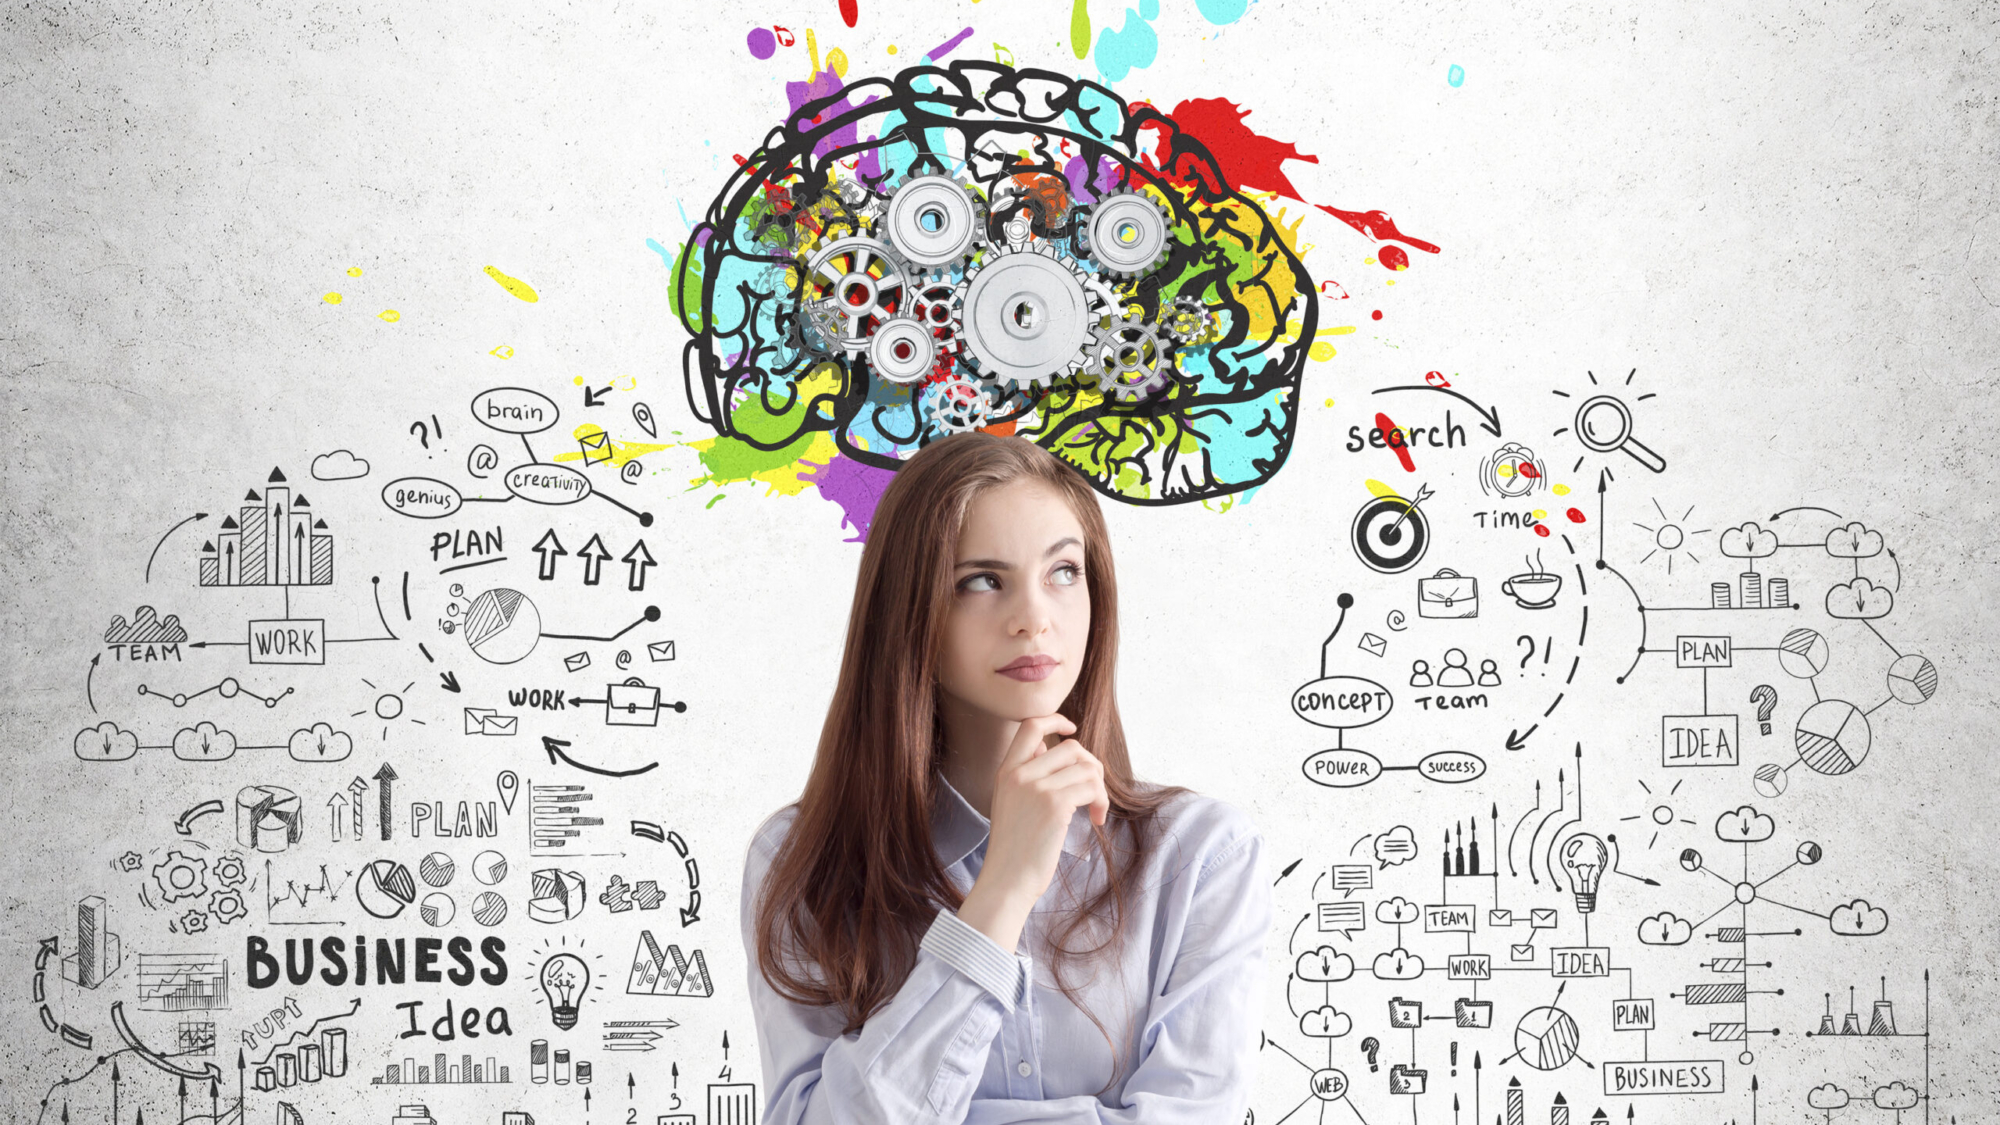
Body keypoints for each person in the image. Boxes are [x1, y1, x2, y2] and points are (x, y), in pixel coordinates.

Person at [740, 432, 1271, 1122]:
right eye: (982, 580)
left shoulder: (1201, 856)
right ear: (910, 610)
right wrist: (1005, 888)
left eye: (1063, 572)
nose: (1034, 619)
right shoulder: (802, 859)